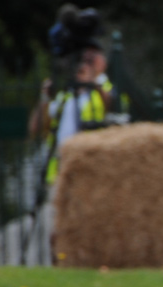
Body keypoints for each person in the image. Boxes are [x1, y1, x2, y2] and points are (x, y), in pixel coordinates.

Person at [29, 44, 108, 185]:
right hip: (59, 177)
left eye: (92, 58)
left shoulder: (106, 89)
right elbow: (35, 128)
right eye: (83, 58)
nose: (85, 63)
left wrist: (93, 82)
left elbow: (113, 107)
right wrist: (45, 98)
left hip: (90, 175)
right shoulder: (64, 96)